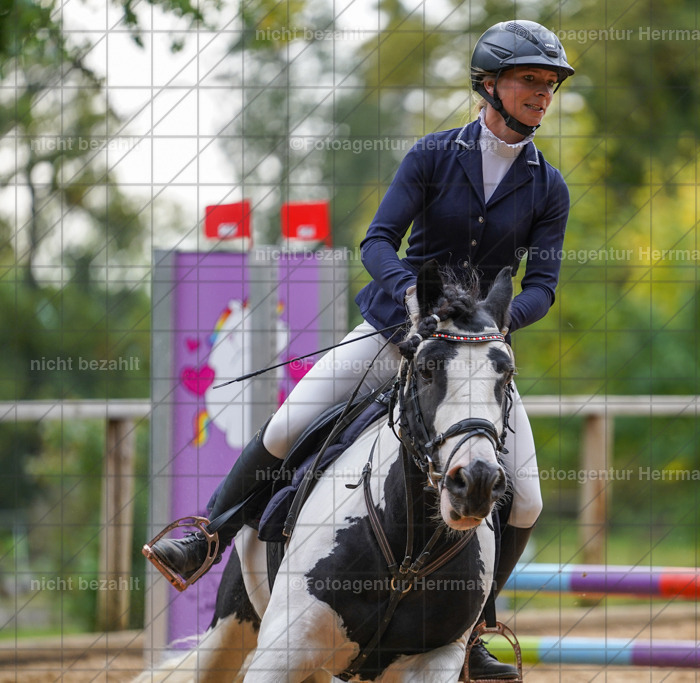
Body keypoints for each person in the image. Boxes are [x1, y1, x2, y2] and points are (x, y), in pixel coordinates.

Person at [145, 19, 574, 680]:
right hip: (394, 332)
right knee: (291, 423)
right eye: (530, 80)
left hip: (474, 360)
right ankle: (206, 536)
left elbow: (543, 286)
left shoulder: (549, 187)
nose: (543, 94)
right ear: (488, 84)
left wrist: (492, 324)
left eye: (550, 85)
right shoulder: (433, 155)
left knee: (527, 501)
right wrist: (409, 296)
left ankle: (475, 626)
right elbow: (378, 241)